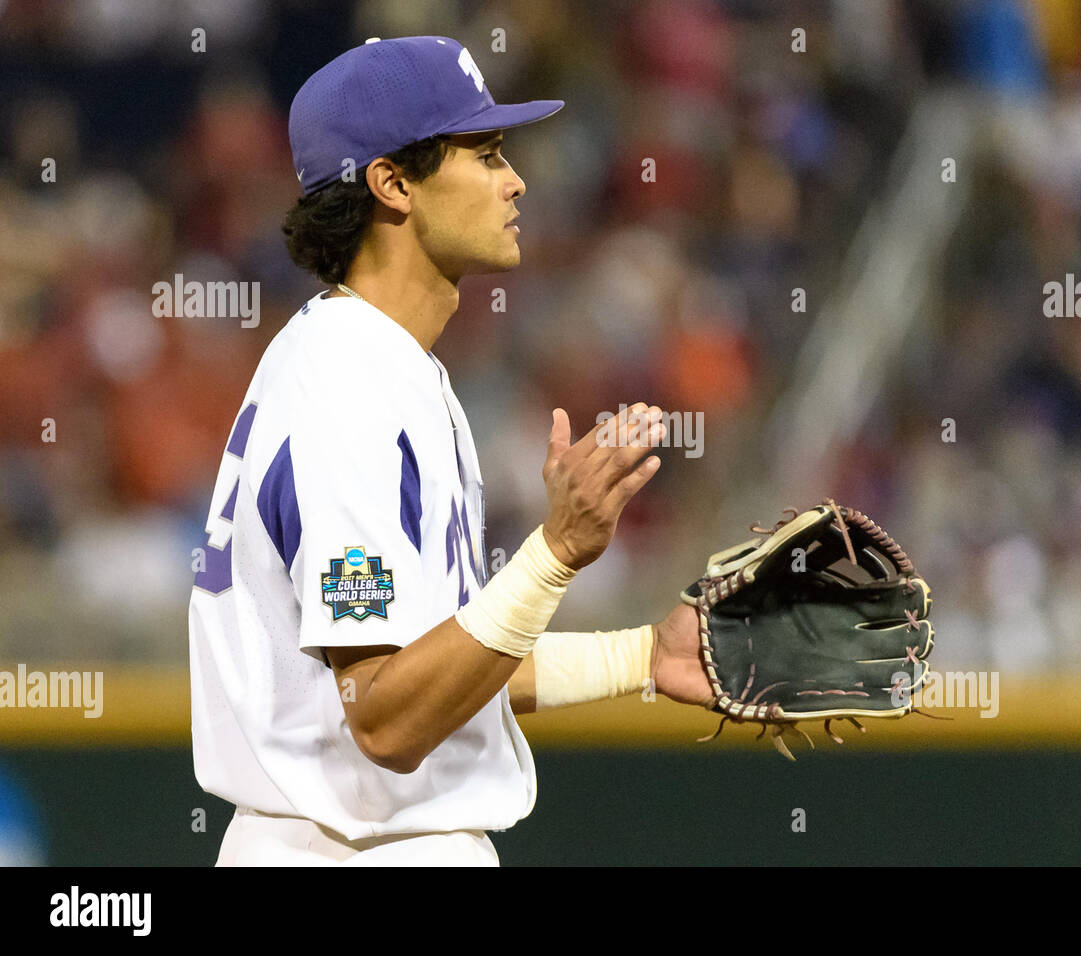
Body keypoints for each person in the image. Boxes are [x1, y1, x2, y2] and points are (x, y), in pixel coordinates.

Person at [188, 35, 709, 866]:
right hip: (350, 849)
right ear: (392, 181)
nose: (516, 180)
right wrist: (555, 552)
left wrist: (640, 657)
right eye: (487, 153)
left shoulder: (381, 364)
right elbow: (388, 720)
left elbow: (435, 670)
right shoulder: (345, 386)